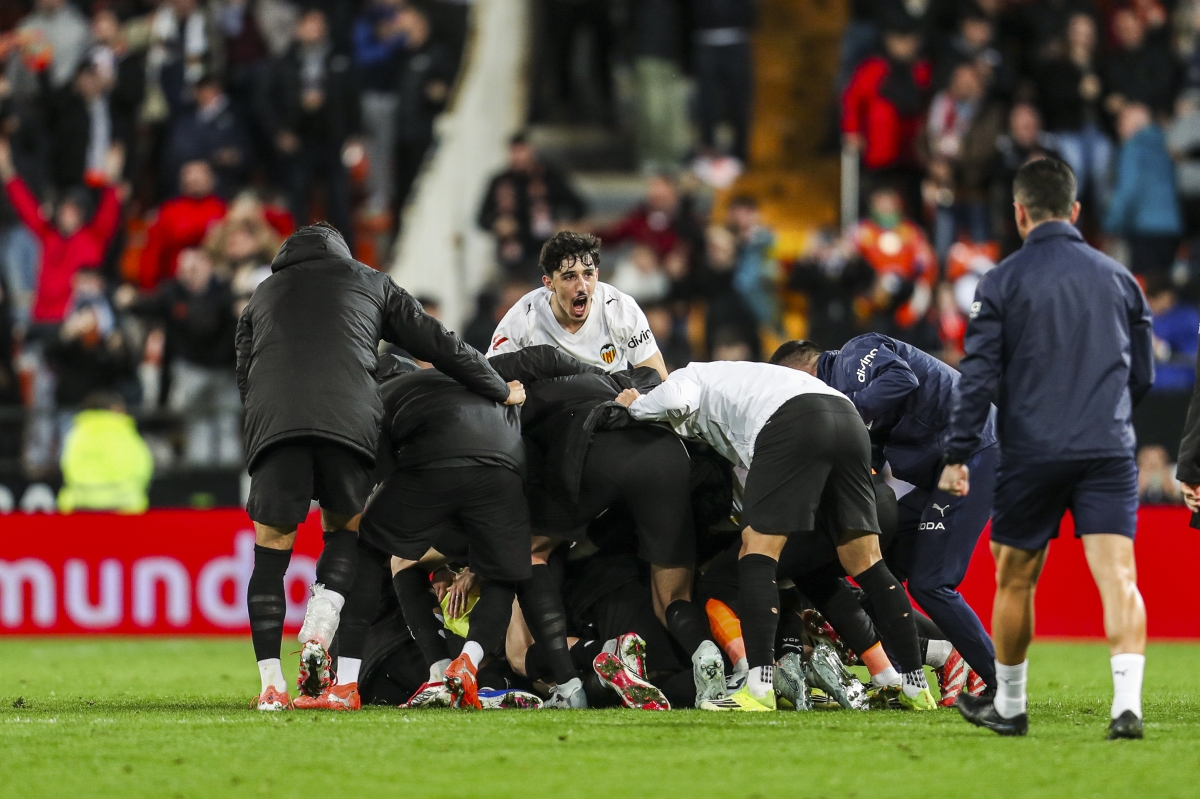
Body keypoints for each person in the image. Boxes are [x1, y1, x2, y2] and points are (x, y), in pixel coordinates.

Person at [235, 222, 519, 711]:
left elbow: (245, 373)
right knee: (350, 537)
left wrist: (275, 423)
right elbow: (436, 341)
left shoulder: (261, 295)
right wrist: (497, 385)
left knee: (270, 556)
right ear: (341, 252)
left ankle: (270, 686)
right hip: (348, 424)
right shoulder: (369, 280)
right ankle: (336, 658)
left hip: (276, 425)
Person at [942, 158, 1153, 740]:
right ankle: (1127, 708)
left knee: (1014, 580)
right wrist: (1106, 418)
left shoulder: (1001, 282)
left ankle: (1010, 707)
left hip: (1032, 451)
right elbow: (1143, 377)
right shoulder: (1119, 279)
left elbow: (978, 377)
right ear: (1075, 210)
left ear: (1019, 213)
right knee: (1118, 577)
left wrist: (958, 453)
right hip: (1107, 448)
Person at [615, 360, 935, 712]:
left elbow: (675, 398)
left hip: (792, 423)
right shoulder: (742, 376)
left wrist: (637, 405)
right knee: (867, 562)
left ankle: (759, 687)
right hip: (847, 419)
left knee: (757, 555)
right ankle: (912, 685)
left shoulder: (688, 374)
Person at [489, 345, 726, 707]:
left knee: (527, 551)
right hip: (668, 455)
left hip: (598, 452)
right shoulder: (609, 378)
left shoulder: (519, 410)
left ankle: (572, 686)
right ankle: (705, 655)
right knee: (674, 598)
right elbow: (653, 377)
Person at [771, 335, 1000, 704]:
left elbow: (901, 379)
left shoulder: (854, 355)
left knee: (931, 583)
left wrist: (846, 410)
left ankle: (998, 682)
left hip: (976, 451)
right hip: (944, 470)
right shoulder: (848, 392)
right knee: (878, 572)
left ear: (803, 373)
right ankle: (903, 674)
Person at [299, 354, 530, 711]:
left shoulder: (380, 397)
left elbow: (369, 481)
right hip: (506, 467)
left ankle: (350, 683)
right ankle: (469, 664)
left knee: (367, 550)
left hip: (438, 466)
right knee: (505, 575)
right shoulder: (470, 384)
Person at [488, 231, 668, 380]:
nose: (582, 286)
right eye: (570, 277)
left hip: (607, 409)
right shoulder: (523, 316)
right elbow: (491, 375)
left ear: (597, 275)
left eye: (588, 274)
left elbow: (658, 377)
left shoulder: (620, 308)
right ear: (549, 283)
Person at [1104, 104, 1182, 279]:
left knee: (1143, 289)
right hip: (1170, 229)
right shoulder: (1165, 146)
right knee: (1163, 290)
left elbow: (1127, 192)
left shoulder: (1132, 149)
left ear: (1134, 126)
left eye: (1121, 123)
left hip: (1144, 230)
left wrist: (1111, 224)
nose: (1118, 129)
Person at [57, 390, 153, 514]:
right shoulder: (126, 434)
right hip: (123, 508)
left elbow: (66, 467)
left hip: (81, 507)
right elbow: (143, 470)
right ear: (115, 408)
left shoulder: (76, 434)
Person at [139, 160, 227, 289]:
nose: (195, 179)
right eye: (191, 175)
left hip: (213, 282)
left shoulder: (223, 210)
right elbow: (153, 251)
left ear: (211, 179)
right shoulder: (169, 211)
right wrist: (148, 286)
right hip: (174, 283)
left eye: (200, 175)